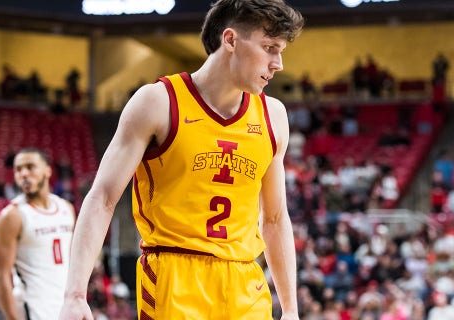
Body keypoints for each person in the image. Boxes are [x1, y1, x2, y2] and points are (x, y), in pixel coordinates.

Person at [60, 1, 304, 319]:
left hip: (245, 281)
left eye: (281, 50)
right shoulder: (157, 102)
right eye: (270, 47)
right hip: (174, 276)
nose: (278, 63)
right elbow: (103, 198)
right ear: (230, 40)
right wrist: (76, 293)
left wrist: (290, 309)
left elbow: (273, 219)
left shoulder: (274, 116)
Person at [0, 148, 76, 320]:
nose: (23, 174)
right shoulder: (12, 216)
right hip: (34, 309)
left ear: (47, 170)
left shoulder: (66, 208)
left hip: (66, 307)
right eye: (18, 169)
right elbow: (0, 276)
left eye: (30, 167)